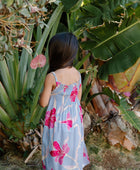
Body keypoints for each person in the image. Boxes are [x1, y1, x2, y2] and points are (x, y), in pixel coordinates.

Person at [39, 32, 90, 170]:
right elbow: (77, 100)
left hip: (57, 122)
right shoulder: (77, 74)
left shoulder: (52, 76)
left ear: (54, 53)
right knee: (71, 148)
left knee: (56, 152)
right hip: (73, 121)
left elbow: (43, 103)